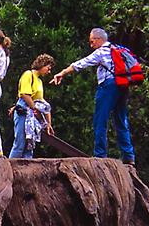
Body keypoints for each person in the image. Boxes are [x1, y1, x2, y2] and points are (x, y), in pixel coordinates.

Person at [50, 27, 135, 165]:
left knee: (100, 120)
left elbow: (82, 63)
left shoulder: (101, 51)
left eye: (92, 41)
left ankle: (100, 155)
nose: (91, 45)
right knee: (121, 120)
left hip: (108, 86)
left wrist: (63, 72)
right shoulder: (118, 49)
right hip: (123, 85)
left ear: (99, 39)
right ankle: (129, 156)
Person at [9, 54, 56, 158]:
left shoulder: (39, 81)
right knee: (20, 143)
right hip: (24, 110)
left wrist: (48, 123)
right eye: (48, 68)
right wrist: (34, 108)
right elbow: (25, 94)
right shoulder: (28, 75)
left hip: (32, 112)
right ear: (42, 65)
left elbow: (43, 103)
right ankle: (10, 167)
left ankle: (26, 170)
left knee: (29, 145)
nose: (49, 71)